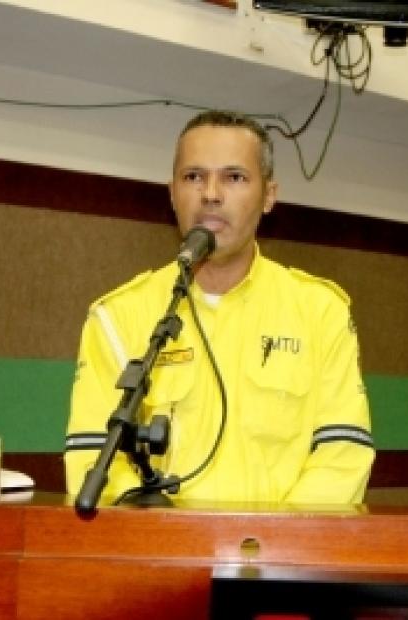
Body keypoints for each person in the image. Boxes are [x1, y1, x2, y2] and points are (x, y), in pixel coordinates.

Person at [64, 109, 374, 505]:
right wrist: (165, 531)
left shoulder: (321, 311)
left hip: (283, 544)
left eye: (234, 177)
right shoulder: (117, 316)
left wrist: (268, 540)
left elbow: (342, 456)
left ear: (269, 196)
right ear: (172, 193)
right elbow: (92, 458)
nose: (210, 194)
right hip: (160, 543)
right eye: (193, 176)